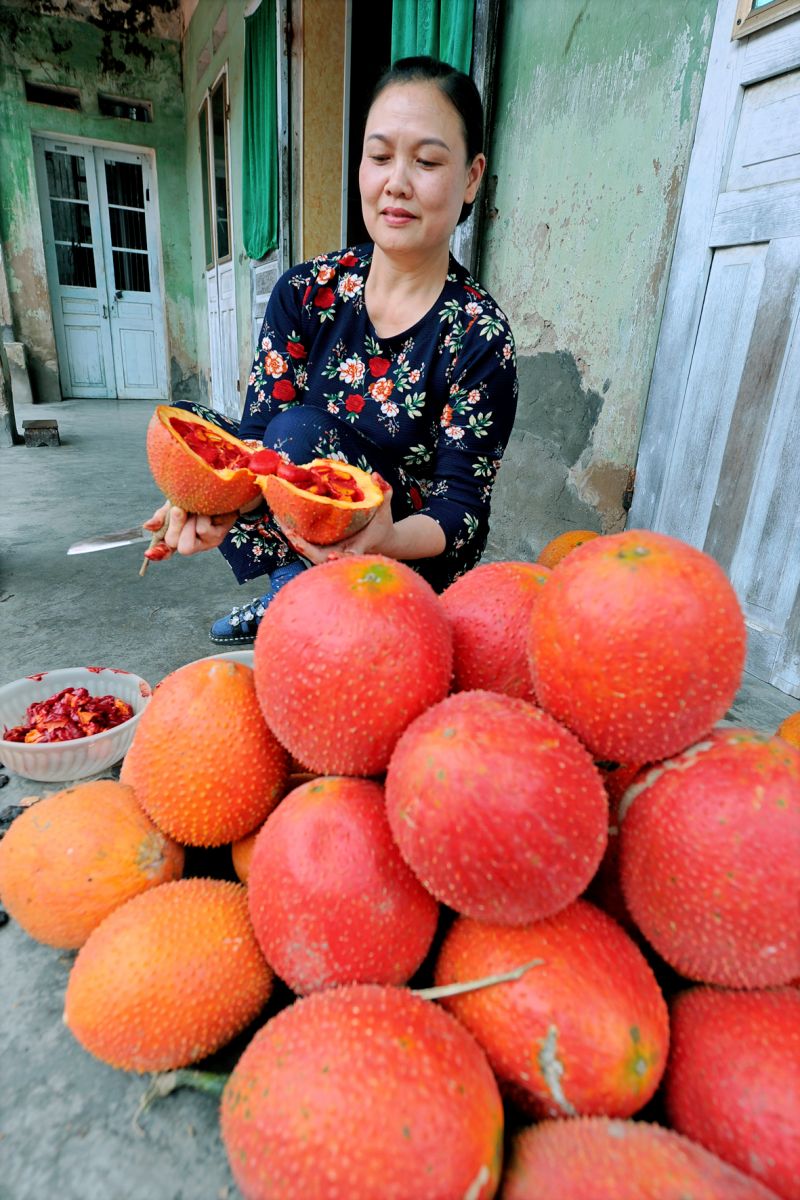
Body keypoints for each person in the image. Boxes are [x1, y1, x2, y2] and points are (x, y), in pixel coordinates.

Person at [147, 55, 518, 645]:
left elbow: (463, 508)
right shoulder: (305, 292)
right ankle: (290, 585)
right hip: (297, 512)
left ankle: (313, 599)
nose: (397, 182)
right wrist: (210, 499)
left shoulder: (479, 335)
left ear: (471, 177)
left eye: (426, 162)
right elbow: (257, 441)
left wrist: (387, 536)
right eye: (380, 156)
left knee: (298, 432)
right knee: (201, 430)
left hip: (403, 547)